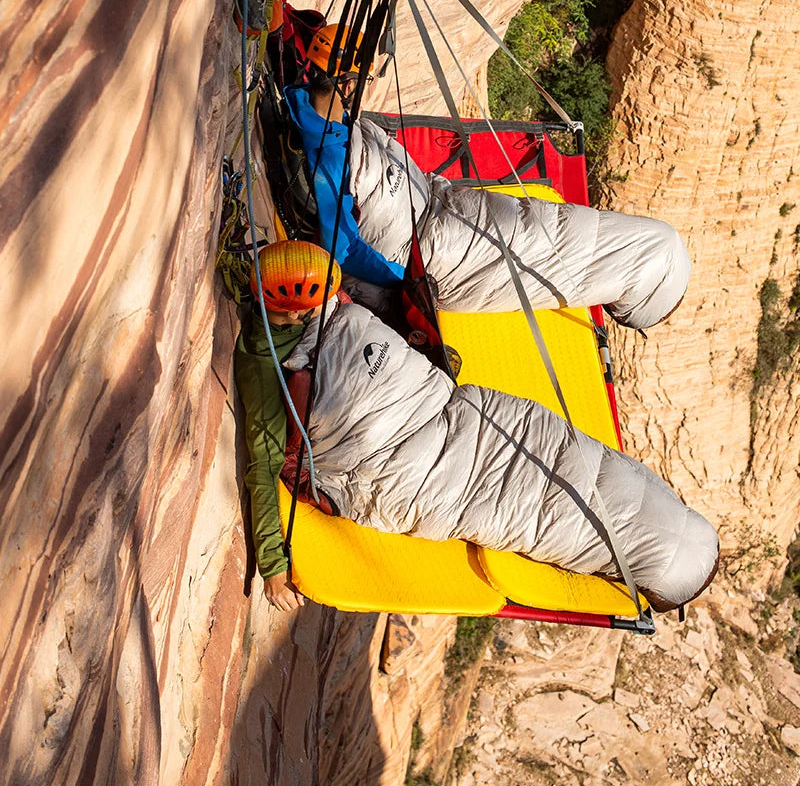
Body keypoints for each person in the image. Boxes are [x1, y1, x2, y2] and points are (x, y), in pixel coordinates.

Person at [235, 240, 719, 613]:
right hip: (422, 458)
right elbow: (262, 460)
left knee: (562, 477)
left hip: (448, 415)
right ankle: (668, 553)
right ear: (298, 305)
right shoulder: (270, 361)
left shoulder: (332, 308)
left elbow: (270, 458)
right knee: (555, 487)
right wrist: (273, 566)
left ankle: (667, 553)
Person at [283, 24, 691, 325]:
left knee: (554, 236)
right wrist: (404, 283)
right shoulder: (331, 154)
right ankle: (649, 278)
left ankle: (650, 273)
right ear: (347, 81)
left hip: (436, 204)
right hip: (434, 243)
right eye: (359, 82)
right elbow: (343, 247)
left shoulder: (336, 125)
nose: (360, 92)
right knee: (547, 251)